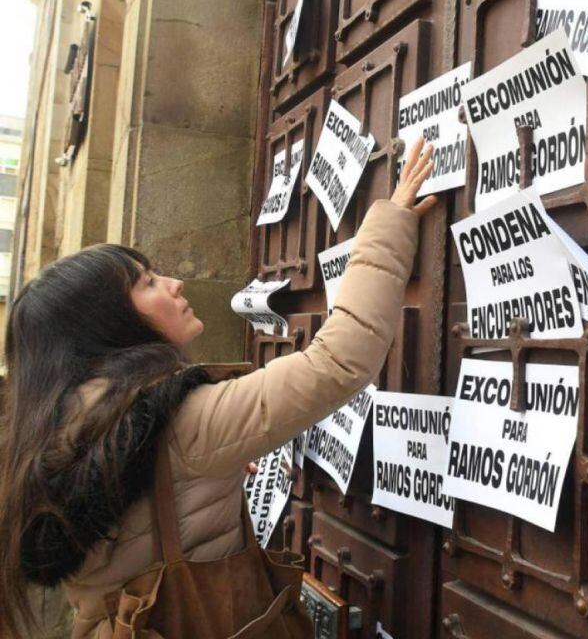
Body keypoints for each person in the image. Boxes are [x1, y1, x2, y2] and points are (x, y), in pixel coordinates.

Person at [0, 138, 438, 638]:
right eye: (146, 283)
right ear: (109, 325)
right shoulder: (175, 420)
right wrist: (391, 220)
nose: (174, 284)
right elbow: (339, 360)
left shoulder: (52, 434)